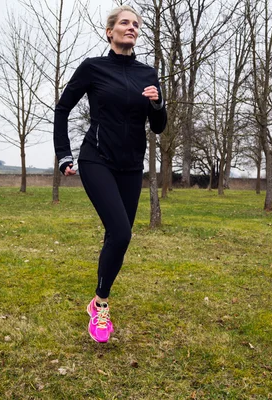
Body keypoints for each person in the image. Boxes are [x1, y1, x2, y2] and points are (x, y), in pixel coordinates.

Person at [53, 5, 167, 343]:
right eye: (124, 23)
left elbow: (158, 127)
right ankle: (101, 305)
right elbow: (63, 109)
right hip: (96, 158)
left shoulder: (149, 74)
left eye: (136, 24)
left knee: (116, 236)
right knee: (122, 233)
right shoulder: (93, 68)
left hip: (132, 165)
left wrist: (157, 104)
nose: (131, 28)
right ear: (110, 31)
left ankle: (98, 297)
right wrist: (63, 154)